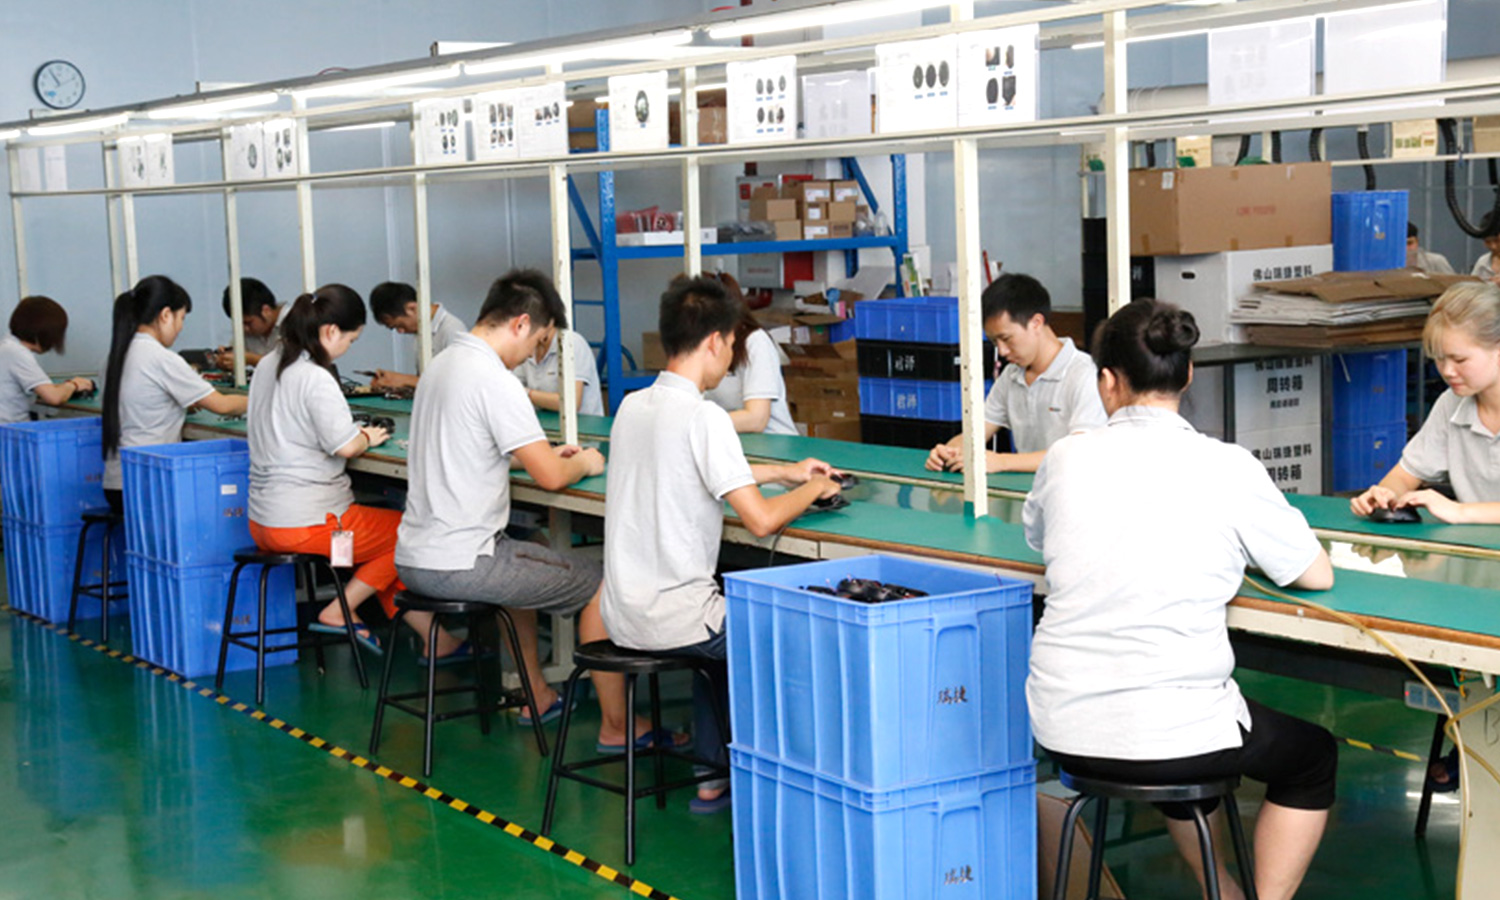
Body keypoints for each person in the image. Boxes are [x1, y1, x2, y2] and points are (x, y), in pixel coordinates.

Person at [1024, 298, 1336, 900]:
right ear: (1188, 375)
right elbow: (1313, 573)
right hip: (1176, 732)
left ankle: (1223, 889)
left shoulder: (1065, 457)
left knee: (1182, 743)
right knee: (1311, 757)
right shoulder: (1227, 466)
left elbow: (1039, 537)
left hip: (1063, 726)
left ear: (1106, 381)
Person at [601, 275, 842, 812]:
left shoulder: (633, 406)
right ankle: (800, 781)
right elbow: (760, 521)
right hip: (678, 622)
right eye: (732, 343)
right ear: (714, 341)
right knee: (782, 627)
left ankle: (711, 778)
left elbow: (691, 468)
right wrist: (813, 488)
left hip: (623, 616)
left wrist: (784, 472)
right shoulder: (704, 415)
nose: (732, 356)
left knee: (721, 623)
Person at [395, 278, 660, 744]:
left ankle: (536, 693)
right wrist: (584, 462)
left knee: (530, 550)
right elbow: (553, 479)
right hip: (463, 562)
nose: (530, 356)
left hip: (415, 556)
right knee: (607, 585)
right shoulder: (495, 380)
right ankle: (617, 727)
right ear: (520, 323)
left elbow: (474, 447)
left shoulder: (441, 364)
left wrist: (539, 453)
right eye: (537, 340)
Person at [246, 284, 459, 659]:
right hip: (309, 522)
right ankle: (338, 610)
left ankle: (438, 641)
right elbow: (345, 446)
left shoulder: (268, 364)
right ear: (330, 331)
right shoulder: (315, 376)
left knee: (378, 552)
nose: (347, 348)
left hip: (263, 521)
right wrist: (364, 436)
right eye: (351, 339)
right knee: (408, 533)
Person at [926, 273, 1106, 473]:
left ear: (1036, 322)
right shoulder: (1011, 376)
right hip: (1028, 489)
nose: (1002, 351)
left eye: (1006, 339)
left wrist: (1002, 462)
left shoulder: (1085, 375)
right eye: (995, 342)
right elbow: (976, 434)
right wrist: (948, 452)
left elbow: (1079, 452)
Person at [1352, 282, 1500, 525]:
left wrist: (1460, 512)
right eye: (1439, 360)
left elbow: (1458, 512)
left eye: (1459, 360)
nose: (1447, 371)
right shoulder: (1451, 404)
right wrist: (1386, 495)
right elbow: (1404, 476)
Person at [102, 276, 248, 513]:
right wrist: (263, 400)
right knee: (224, 501)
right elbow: (222, 405)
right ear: (165, 315)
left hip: (116, 482)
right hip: (149, 483)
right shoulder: (160, 358)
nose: (180, 328)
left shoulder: (115, 356)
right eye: (181, 319)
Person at [695, 273, 796, 435]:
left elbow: (757, 419)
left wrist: (698, 425)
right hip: (727, 439)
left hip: (771, 442)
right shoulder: (702, 345)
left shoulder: (755, 342)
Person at [503, 268, 605, 417]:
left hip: (582, 429)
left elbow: (571, 402)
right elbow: (512, 388)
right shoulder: (528, 345)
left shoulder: (572, 344)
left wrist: (527, 394)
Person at [0, 296, 93, 423]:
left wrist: (61, 387)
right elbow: (54, 398)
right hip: (10, 429)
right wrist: (74, 384)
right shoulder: (17, 353)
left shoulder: (7, 347)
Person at [367, 281, 467, 390]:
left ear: (412, 308)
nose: (400, 331)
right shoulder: (422, 329)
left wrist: (404, 380)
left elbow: (458, 383)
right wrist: (392, 379)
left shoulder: (453, 330)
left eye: (399, 325)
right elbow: (426, 379)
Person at [212, 277, 283, 369]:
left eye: (248, 323)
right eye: (239, 324)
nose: (244, 328)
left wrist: (251, 359)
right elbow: (237, 354)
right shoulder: (248, 331)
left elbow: (291, 366)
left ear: (266, 311)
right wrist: (226, 359)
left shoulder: (294, 322)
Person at [1472, 219, 1500, 284]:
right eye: (1487, 242)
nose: (1493, 246)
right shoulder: (1483, 262)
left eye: (1497, 240)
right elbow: (1471, 286)